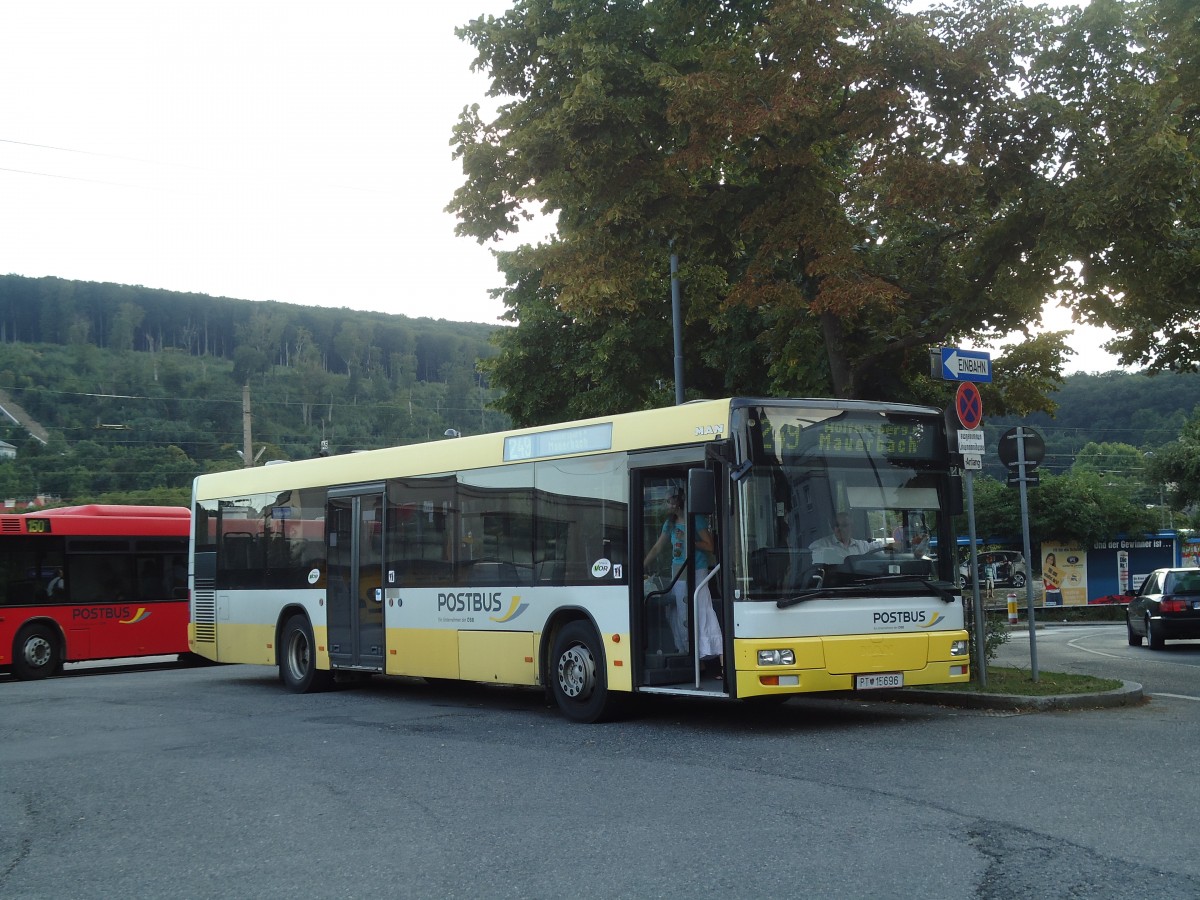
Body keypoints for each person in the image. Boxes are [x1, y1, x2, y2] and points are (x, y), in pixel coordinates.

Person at [644, 488, 723, 671]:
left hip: (697, 570)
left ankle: (710, 656)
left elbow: (710, 546)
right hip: (678, 571)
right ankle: (688, 654)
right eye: (666, 502)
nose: (668, 505)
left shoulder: (696, 520)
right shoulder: (669, 523)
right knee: (679, 613)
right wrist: (640, 566)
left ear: (679, 501)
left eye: (670, 501)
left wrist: (688, 539)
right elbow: (657, 548)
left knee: (701, 609)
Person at [808, 512, 887, 565]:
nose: (840, 529)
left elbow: (878, 547)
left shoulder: (861, 545)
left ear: (852, 527)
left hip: (861, 586)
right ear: (832, 528)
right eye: (836, 525)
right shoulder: (820, 545)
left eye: (844, 525)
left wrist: (895, 545)